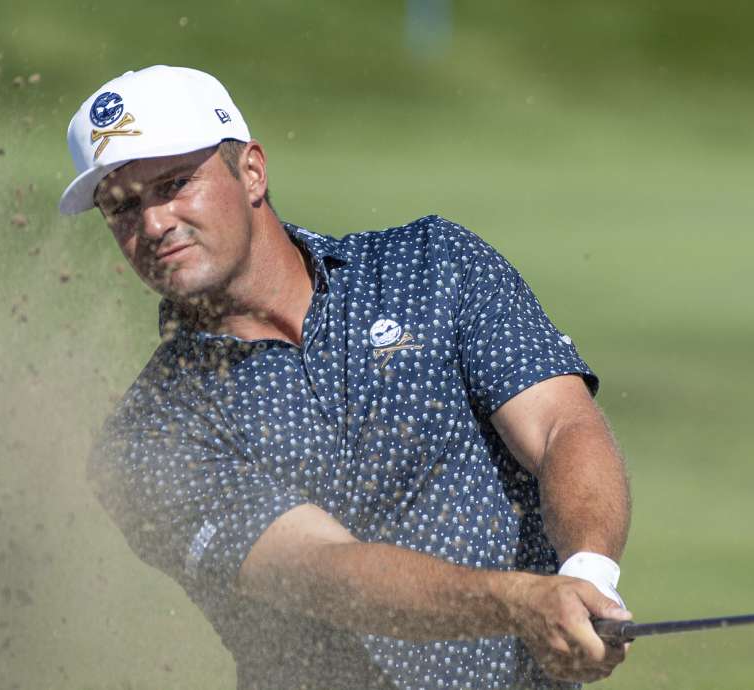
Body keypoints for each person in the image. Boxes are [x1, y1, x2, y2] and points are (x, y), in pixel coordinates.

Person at [59, 65, 634, 690]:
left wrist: (589, 573)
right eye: (122, 207)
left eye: (174, 184)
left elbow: (560, 425)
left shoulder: (432, 266)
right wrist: (520, 603)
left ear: (251, 171)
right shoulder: (148, 438)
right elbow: (323, 571)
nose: (152, 225)